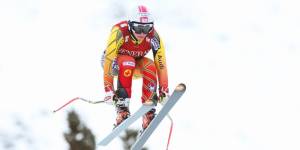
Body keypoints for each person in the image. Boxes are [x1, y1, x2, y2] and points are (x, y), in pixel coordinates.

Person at [102, 5, 169, 130]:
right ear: (130, 25)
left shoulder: (153, 37)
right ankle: (122, 109)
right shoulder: (119, 32)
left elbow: (161, 64)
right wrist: (108, 89)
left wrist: (164, 90)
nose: (142, 33)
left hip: (135, 65)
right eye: (138, 28)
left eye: (147, 28)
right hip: (115, 64)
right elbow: (109, 60)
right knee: (128, 61)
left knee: (150, 66)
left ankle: (148, 112)